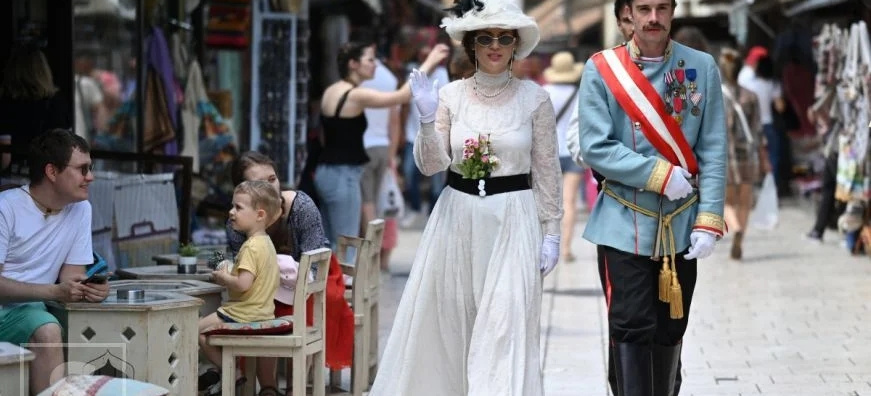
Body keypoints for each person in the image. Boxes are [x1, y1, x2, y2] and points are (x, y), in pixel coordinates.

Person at [369, 0, 562, 393]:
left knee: (506, 323)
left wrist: (552, 230)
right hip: (457, 218)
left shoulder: (534, 99)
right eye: (486, 37)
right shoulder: (451, 96)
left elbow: (546, 170)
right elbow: (431, 165)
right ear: (471, 45)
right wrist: (425, 119)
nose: (495, 45)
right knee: (452, 323)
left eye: (504, 38)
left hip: (513, 217)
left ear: (515, 45)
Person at [577, 0, 727, 393]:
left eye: (662, 7)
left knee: (670, 328)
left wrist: (709, 219)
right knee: (630, 327)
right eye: (644, 8)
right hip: (624, 222)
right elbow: (595, 146)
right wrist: (657, 174)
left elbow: (713, 148)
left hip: (680, 224)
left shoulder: (701, 67)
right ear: (629, 13)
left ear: (673, 11)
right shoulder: (601, 69)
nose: (653, 18)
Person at [222, 151, 354, 396]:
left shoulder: (300, 205)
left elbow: (316, 263)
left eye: (272, 179)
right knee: (257, 305)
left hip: (314, 277)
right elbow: (239, 261)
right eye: (260, 184)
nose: (270, 188)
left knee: (302, 308)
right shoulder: (237, 219)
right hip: (266, 283)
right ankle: (268, 388)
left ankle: (296, 386)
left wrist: (285, 280)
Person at [0, 129, 109, 394]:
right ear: (52, 172)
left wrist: (89, 288)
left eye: (90, 168)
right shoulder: (6, 207)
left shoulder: (81, 208)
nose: (90, 177)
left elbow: (71, 277)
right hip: (14, 309)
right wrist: (54, 291)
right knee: (47, 327)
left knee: (65, 328)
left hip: (29, 312)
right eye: (83, 169)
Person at [314, 39, 448, 248]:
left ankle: (333, 280)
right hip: (343, 174)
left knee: (330, 242)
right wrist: (430, 61)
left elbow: (324, 136)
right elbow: (402, 96)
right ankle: (344, 282)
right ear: (353, 64)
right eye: (369, 59)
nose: (375, 64)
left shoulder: (332, 90)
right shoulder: (356, 94)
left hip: (326, 171)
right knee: (345, 244)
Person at [565, 0, 633, 392]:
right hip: (620, 211)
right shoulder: (603, 72)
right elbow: (579, 141)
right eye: (628, 20)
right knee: (624, 316)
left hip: (671, 214)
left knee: (668, 320)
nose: (635, 27)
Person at [199, 179, 282, 396]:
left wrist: (223, 278)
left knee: (194, 331)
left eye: (238, 207)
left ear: (260, 215)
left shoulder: (251, 247)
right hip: (262, 311)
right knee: (203, 331)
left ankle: (229, 372)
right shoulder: (265, 243)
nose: (231, 212)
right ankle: (223, 372)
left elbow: (243, 284)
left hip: (243, 313)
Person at [717, 48, 768, 260]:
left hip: (723, 156)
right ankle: (742, 234)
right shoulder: (751, 96)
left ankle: (735, 227)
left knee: (726, 201)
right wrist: (764, 160)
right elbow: (757, 131)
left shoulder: (715, 96)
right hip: (747, 155)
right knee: (745, 200)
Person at [400, 43, 451, 228]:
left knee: (437, 179)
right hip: (412, 135)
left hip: (437, 136)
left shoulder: (443, 75)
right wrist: (401, 130)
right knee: (409, 174)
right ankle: (414, 208)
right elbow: (404, 104)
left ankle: (432, 214)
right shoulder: (413, 75)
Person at [542, 51, 584, 263]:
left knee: (547, 201)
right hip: (573, 152)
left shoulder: (543, 92)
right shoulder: (579, 94)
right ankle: (566, 248)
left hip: (549, 152)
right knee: (569, 200)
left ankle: (546, 244)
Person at [0, 45, 71, 169]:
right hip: (46, 175)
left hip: (14, 174)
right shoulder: (56, 103)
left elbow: (4, 158)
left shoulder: (6, 104)